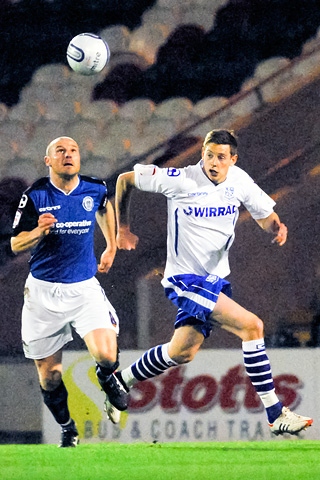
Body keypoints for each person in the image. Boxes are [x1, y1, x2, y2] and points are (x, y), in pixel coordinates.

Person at [106, 129, 312, 436]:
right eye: (209, 155)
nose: (213, 162)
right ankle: (275, 413)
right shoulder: (180, 179)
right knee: (251, 326)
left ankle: (120, 381)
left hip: (214, 279)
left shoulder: (239, 180)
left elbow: (263, 213)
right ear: (202, 153)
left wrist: (276, 226)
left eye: (221, 157)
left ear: (233, 159)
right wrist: (122, 227)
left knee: (181, 352)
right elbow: (125, 180)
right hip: (183, 278)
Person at [10, 137, 128, 447]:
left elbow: (105, 206)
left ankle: (106, 377)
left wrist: (111, 245)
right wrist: (38, 231)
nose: (68, 155)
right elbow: (14, 243)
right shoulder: (35, 195)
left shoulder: (94, 187)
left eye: (73, 150)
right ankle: (68, 428)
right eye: (60, 151)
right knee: (50, 376)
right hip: (42, 294)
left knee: (106, 353)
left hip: (83, 288)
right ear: (48, 161)